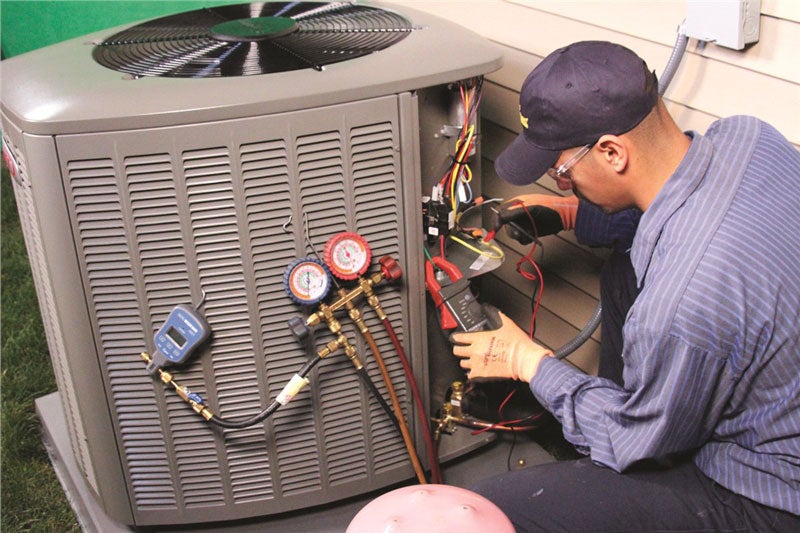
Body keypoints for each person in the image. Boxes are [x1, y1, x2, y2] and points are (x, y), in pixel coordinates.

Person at [451, 40, 800, 531]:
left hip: (768, 491)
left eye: (561, 173)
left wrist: (526, 361)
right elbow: (679, 210)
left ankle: (626, 448)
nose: (562, 183)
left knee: (491, 506)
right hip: (783, 392)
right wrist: (574, 214)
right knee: (623, 272)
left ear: (612, 151)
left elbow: (634, 437)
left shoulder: (682, 305)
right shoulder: (748, 136)